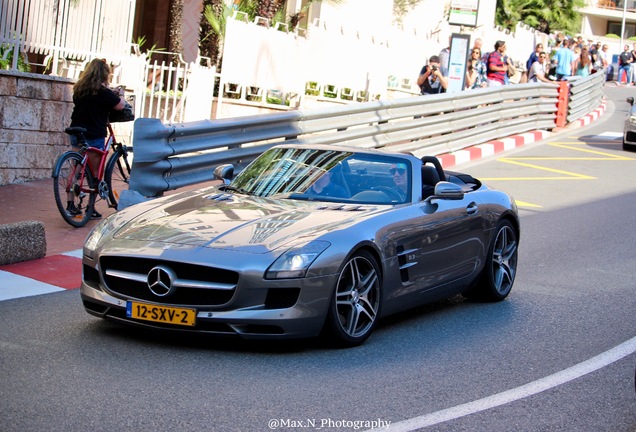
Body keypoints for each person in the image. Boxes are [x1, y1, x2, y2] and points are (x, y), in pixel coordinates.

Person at [69, 58, 126, 218]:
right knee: (95, 173)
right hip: (94, 133)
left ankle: (70, 204)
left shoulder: (79, 89)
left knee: (76, 168)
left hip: (76, 131)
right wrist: (120, 94)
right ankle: (90, 208)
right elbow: (120, 105)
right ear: (104, 74)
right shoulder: (102, 92)